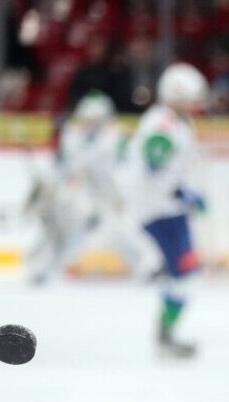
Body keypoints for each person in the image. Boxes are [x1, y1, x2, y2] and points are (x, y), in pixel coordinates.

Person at [123, 63, 209, 358]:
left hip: (166, 209)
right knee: (186, 276)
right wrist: (182, 192)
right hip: (160, 211)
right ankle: (164, 337)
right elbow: (153, 170)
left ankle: (166, 334)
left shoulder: (172, 121)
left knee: (186, 276)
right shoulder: (164, 126)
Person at [26, 91, 151, 283]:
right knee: (64, 230)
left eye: (96, 119)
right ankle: (43, 268)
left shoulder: (117, 136)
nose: (91, 124)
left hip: (108, 193)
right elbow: (61, 165)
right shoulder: (71, 134)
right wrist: (48, 180)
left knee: (117, 230)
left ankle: (145, 267)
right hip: (79, 193)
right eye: (87, 119)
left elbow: (127, 167)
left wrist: (123, 194)